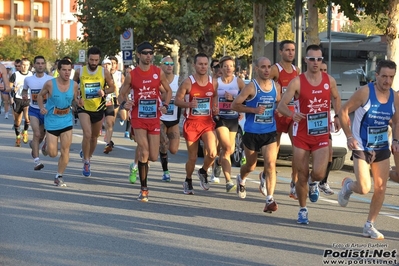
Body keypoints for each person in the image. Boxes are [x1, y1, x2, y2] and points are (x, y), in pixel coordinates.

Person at [277, 45, 341, 224]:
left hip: (321, 133)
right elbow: (281, 105)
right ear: (306, 60)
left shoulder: (329, 80)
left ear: (322, 61)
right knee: (301, 174)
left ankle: (315, 183)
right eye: (312, 59)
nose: (315, 62)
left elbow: (336, 97)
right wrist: (292, 114)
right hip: (301, 135)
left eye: (319, 59)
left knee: (319, 173)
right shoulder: (297, 82)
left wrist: (336, 116)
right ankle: (303, 209)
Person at [338, 60, 399, 240]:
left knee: (381, 187)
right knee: (365, 188)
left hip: (381, 147)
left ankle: (369, 225)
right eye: (384, 76)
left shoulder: (394, 96)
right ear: (376, 76)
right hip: (361, 146)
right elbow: (343, 111)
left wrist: (395, 139)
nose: (387, 81)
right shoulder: (365, 92)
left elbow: (396, 121)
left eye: (391, 77)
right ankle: (348, 185)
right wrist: (349, 136)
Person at [118, 41, 172, 202]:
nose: (149, 56)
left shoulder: (158, 72)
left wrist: (166, 105)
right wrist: (125, 103)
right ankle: (144, 189)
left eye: (151, 53)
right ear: (139, 55)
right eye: (145, 53)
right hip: (138, 118)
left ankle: (137, 167)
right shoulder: (132, 74)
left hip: (154, 117)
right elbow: (122, 92)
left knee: (154, 156)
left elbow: (168, 91)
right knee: (144, 150)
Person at [231, 57, 281, 213]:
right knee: (250, 166)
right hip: (252, 132)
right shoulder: (251, 87)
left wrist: (278, 109)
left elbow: (278, 102)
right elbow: (235, 105)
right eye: (263, 67)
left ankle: (269, 199)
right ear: (257, 69)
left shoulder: (276, 87)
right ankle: (242, 179)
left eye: (268, 67)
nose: (266, 70)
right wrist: (253, 110)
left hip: (269, 131)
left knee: (271, 164)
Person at [174, 52, 218, 195]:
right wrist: (188, 104)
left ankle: (203, 171)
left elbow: (215, 95)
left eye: (206, 64)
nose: (203, 67)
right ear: (194, 65)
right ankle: (188, 180)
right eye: (200, 64)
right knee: (192, 157)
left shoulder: (213, 82)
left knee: (212, 152)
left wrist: (215, 106)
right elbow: (177, 101)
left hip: (207, 122)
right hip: (192, 123)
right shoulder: (188, 82)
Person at [73, 47, 115, 177]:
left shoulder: (104, 72)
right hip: (84, 107)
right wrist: (77, 99)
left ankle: (88, 156)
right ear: (87, 59)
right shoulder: (80, 71)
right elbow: (73, 87)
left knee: (94, 137)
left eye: (96, 60)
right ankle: (86, 161)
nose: (93, 62)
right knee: (87, 133)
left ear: (99, 60)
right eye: (91, 59)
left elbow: (113, 87)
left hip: (98, 107)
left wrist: (105, 92)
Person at [37, 59, 79, 186]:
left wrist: (78, 102)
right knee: (52, 153)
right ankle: (46, 145)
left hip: (66, 120)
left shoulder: (74, 84)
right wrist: (41, 108)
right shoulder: (50, 84)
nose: (67, 73)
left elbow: (75, 99)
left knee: (65, 150)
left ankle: (59, 176)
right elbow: (40, 96)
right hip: (52, 119)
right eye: (64, 70)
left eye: (69, 70)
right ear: (58, 71)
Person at [269, 40, 301, 200]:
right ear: (280, 52)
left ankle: (294, 183)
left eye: (293, 50)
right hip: (276, 112)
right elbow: (263, 86)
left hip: (291, 113)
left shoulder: (297, 70)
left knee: (297, 148)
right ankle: (267, 175)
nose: (290, 53)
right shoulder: (275, 69)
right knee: (273, 150)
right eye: (287, 50)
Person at [213, 55, 245, 192]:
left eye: (231, 66)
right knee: (226, 148)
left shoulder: (238, 82)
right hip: (220, 118)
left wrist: (234, 99)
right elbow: (210, 97)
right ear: (221, 68)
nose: (228, 69)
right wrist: (213, 108)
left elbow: (247, 98)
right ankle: (228, 181)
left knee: (230, 150)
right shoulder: (216, 82)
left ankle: (218, 162)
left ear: (234, 68)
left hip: (233, 118)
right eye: (225, 66)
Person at [23, 56, 52, 170]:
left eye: (42, 63)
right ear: (34, 65)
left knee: (41, 137)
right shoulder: (28, 79)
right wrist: (25, 95)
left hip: (46, 110)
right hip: (34, 110)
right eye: (38, 63)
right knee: (37, 134)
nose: (40, 65)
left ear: (45, 65)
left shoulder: (50, 79)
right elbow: (25, 90)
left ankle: (34, 145)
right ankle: (37, 161)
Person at [159, 56, 180, 182]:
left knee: (173, 150)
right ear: (161, 65)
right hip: (160, 117)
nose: (169, 66)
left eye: (171, 64)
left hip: (174, 118)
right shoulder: (158, 81)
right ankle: (165, 171)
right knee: (163, 143)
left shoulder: (179, 80)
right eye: (166, 63)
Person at [317, 61, 335, 195]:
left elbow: (335, 99)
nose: (323, 72)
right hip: (308, 124)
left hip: (325, 124)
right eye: (321, 69)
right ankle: (304, 181)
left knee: (329, 153)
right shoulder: (307, 82)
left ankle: (323, 182)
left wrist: (338, 116)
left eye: (325, 70)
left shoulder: (328, 84)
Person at [103, 56, 125, 154]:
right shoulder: (102, 74)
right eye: (109, 63)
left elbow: (123, 87)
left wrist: (120, 97)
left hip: (113, 100)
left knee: (110, 122)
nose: (111, 65)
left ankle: (108, 143)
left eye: (113, 63)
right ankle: (107, 134)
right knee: (106, 123)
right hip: (101, 100)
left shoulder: (120, 74)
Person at [9, 58, 33, 147]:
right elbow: (9, 87)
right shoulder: (15, 75)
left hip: (27, 99)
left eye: (27, 65)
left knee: (27, 118)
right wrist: (13, 90)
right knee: (17, 121)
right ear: (20, 65)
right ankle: (18, 136)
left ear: (29, 66)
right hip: (18, 99)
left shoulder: (31, 74)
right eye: (23, 65)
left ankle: (25, 132)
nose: (25, 67)